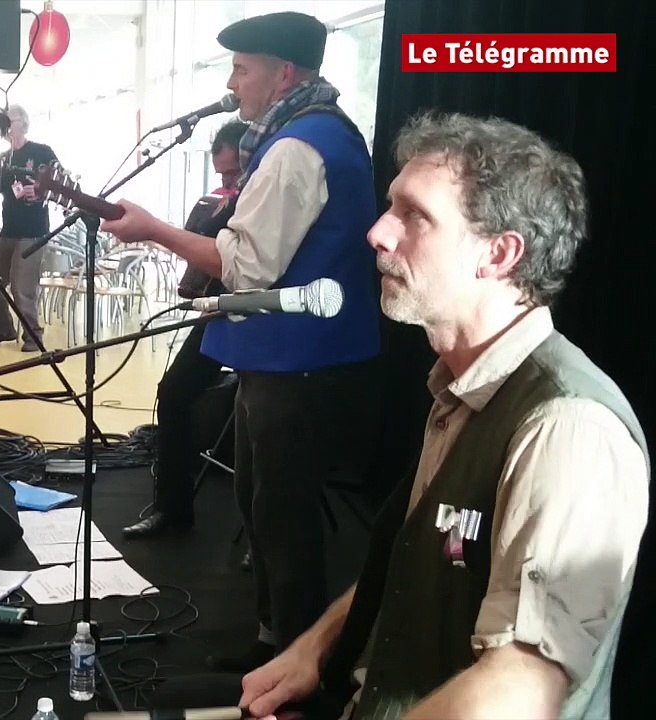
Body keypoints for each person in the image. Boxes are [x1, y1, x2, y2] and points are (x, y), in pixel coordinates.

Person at [154, 112, 651, 720]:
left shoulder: (568, 427)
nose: (378, 233)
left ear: (499, 253)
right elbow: (416, 572)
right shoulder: (461, 388)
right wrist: (313, 645)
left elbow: (524, 684)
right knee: (169, 701)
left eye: (413, 215)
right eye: (391, 207)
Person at [102, 12, 384, 668]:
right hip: (294, 356)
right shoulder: (317, 132)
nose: (232, 83)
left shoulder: (296, 148)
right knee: (264, 509)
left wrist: (155, 230)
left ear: (283, 73)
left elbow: (247, 264)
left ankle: (297, 661)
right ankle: (273, 638)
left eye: (241, 69)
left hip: (299, 361)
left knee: (282, 521)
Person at [122, 119, 248, 540]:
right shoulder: (217, 204)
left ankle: (260, 536)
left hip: (270, 320)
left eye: (234, 172)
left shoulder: (267, 196)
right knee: (174, 391)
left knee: (263, 421)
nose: (229, 182)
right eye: (223, 174)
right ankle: (172, 510)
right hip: (221, 315)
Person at [0, 104, 58, 352]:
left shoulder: (42, 152)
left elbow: (61, 183)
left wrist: (41, 191)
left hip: (33, 232)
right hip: (8, 231)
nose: (6, 127)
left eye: (10, 121)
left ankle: (33, 335)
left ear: (23, 122)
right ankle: (3, 329)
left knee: (22, 288)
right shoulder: (1, 160)